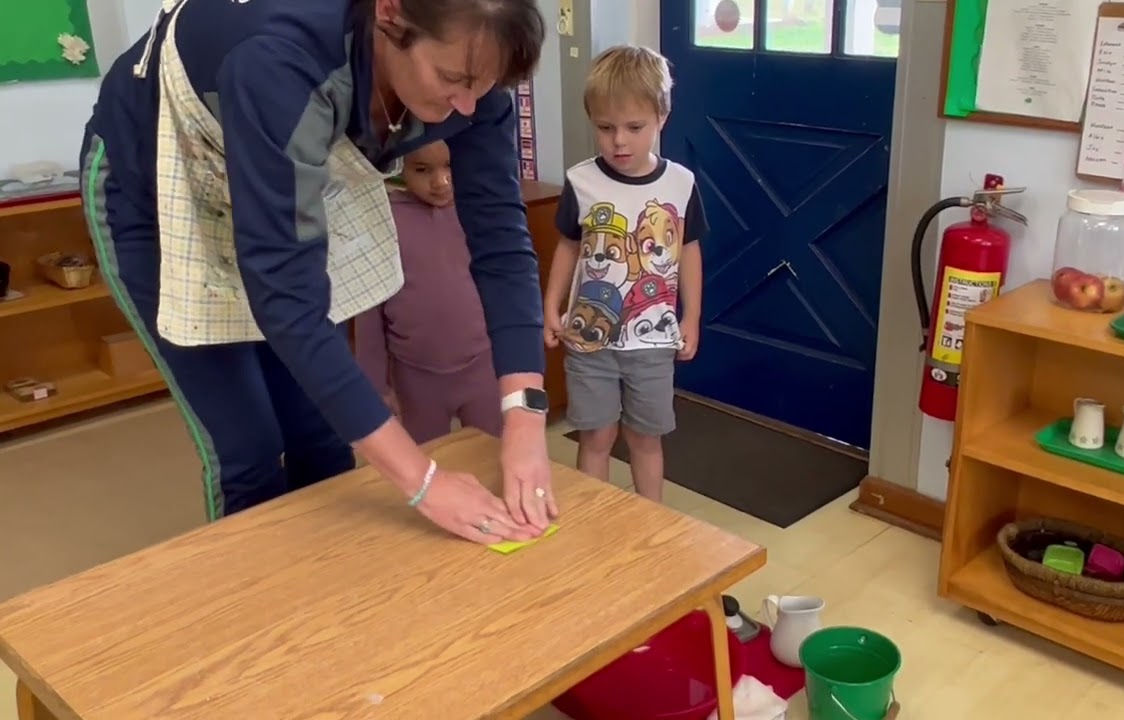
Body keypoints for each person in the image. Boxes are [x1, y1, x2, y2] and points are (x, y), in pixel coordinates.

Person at [78, 0, 559, 545]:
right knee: (249, 448)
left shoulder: (474, 70)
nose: (466, 103)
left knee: (323, 432)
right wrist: (425, 483)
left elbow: (501, 244)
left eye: (484, 84)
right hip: (160, 188)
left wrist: (524, 421)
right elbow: (288, 301)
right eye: (451, 79)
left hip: (279, 172)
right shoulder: (281, 60)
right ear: (389, 13)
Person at [542, 45, 707, 502]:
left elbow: (688, 251)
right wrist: (550, 305)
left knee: (645, 439)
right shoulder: (581, 182)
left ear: (662, 118)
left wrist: (691, 317)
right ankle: (596, 527)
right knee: (595, 437)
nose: (619, 142)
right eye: (605, 128)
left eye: (635, 128)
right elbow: (569, 247)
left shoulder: (681, 184)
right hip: (589, 340)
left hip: (652, 343)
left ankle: (648, 525)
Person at [354, 140, 503, 444]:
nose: (440, 182)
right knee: (427, 462)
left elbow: (505, 287)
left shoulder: (479, 211)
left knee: (492, 452)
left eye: (450, 166)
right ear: (399, 167)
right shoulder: (384, 221)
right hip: (415, 375)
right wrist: (376, 386)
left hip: (482, 365)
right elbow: (369, 314)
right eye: (422, 169)